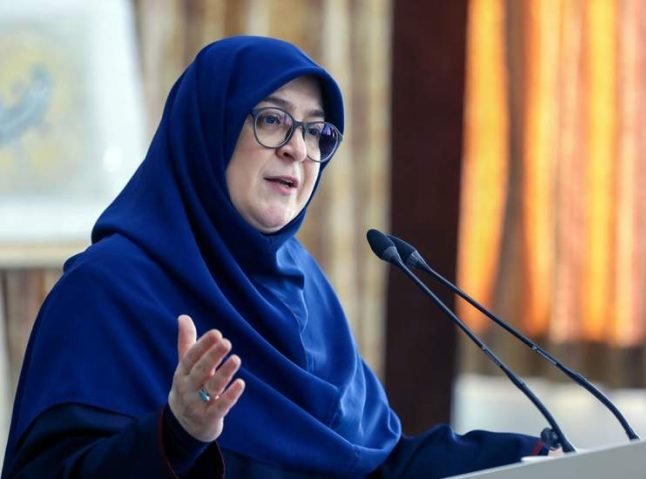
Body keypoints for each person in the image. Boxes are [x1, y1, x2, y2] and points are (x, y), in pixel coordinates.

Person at [2, 36, 549, 478]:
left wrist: (540, 457)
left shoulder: (307, 290)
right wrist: (176, 435)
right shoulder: (105, 292)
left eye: (316, 131)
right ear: (209, 129)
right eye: (271, 120)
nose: (297, 149)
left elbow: (377, 466)